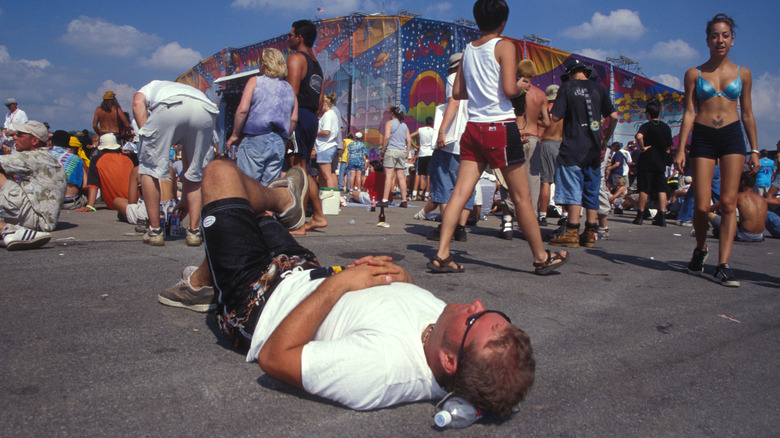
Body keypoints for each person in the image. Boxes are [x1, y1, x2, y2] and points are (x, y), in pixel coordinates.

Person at [159, 158, 535, 414]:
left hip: (258, 299)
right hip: (302, 271)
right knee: (255, 211)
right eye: (488, 313)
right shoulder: (444, 330)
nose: (475, 304)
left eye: (474, 320)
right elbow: (405, 310)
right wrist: (401, 279)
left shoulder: (382, 371)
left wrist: (340, 285)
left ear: (449, 361)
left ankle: (206, 282)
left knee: (220, 175)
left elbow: (276, 358)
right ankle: (276, 205)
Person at [427, 0, 567, 275]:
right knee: (522, 197)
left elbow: (458, 92)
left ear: (477, 20)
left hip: (473, 129)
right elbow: (508, 89)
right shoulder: (505, 46)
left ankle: (442, 254)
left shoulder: (468, 49)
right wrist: (520, 86)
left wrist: (482, 91)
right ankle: (541, 257)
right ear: (504, 21)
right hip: (500, 128)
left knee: (459, 193)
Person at [673, 14, 759, 287]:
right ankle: (700, 249)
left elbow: (746, 113)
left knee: (730, 202)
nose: (720, 40)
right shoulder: (694, 74)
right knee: (700, 205)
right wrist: (680, 149)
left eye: (725, 35)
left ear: (732, 39)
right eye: (715, 35)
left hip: (732, 136)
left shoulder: (743, 74)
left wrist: (754, 149)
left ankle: (723, 264)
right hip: (704, 136)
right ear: (708, 39)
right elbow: (689, 112)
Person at [132, 80, 218, 247]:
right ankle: (194, 231)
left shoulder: (150, 87)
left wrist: (149, 135)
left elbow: (137, 103)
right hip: (205, 109)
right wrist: (185, 198)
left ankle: (155, 230)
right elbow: (188, 168)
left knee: (150, 170)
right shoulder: (183, 88)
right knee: (196, 173)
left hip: (171, 107)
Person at [547, 58, 618, 249]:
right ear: (585, 72)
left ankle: (571, 231)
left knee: (573, 190)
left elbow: (555, 117)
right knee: (592, 190)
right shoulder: (599, 89)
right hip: (594, 149)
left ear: (570, 74)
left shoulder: (567, 87)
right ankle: (589, 233)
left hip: (573, 147)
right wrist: (605, 140)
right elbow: (614, 116)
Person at [420, 52, 473, 242]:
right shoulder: (478, 78)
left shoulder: (455, 78)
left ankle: (446, 226)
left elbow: (454, 102)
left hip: (452, 141)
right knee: (467, 186)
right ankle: (461, 228)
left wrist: (442, 130)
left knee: (444, 184)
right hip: (472, 138)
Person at [226, 48, 297, 186]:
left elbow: (242, 110)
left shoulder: (255, 81)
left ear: (263, 64)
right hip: (279, 141)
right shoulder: (289, 88)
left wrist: (235, 134)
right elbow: (293, 119)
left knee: (248, 185)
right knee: (269, 188)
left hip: (255, 137)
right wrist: (285, 137)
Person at [286, 19, 327, 235]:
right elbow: (320, 103)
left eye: (291, 35)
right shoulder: (317, 65)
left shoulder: (295, 59)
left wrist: (289, 123)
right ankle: (318, 216)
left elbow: (290, 95)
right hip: (310, 117)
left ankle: (300, 223)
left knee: (297, 170)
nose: (288, 38)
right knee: (303, 169)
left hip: (298, 116)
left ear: (299, 37)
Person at [0, 121, 66, 250]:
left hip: (37, 218)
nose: (14, 137)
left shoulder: (34, 156)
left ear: (34, 141)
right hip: (42, 217)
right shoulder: (44, 157)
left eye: (20, 135)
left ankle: (9, 230)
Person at [515, 60, 549, 217]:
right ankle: (532, 215)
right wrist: (535, 121)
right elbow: (547, 122)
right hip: (534, 137)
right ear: (534, 74)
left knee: (511, 176)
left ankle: (509, 215)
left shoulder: (514, 90)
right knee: (533, 178)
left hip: (516, 135)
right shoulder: (541, 94)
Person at [633, 100, 673, 226]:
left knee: (644, 188)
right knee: (661, 188)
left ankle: (640, 214)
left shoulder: (646, 126)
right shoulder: (665, 127)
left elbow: (639, 136)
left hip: (648, 159)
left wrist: (643, 147)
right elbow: (668, 147)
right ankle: (662, 215)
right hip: (660, 160)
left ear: (648, 114)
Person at [76, 133, 135, 214]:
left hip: (112, 203)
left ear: (101, 148)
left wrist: (90, 205)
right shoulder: (131, 158)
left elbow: (93, 184)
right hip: (134, 201)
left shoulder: (96, 160)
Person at [708, 171, 766, 248]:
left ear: (742, 182)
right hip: (759, 236)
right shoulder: (762, 199)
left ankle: (701, 229)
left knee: (705, 212)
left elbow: (713, 207)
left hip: (744, 235)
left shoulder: (740, 197)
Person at [537, 85, 562, 226]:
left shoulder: (546, 111)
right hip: (562, 144)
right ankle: (565, 215)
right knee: (562, 182)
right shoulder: (565, 111)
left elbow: (540, 132)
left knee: (546, 181)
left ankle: (542, 214)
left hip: (546, 144)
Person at [49, 130, 87, 210]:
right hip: (69, 202)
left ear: (52, 142)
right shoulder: (76, 159)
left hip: (50, 202)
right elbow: (85, 185)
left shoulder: (45, 156)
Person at [315, 93, 340, 188]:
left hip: (325, 146)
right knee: (324, 174)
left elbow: (326, 132)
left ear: (324, 103)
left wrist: (314, 133)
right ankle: (326, 195)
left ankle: (331, 196)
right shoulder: (331, 114)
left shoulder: (328, 115)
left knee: (326, 175)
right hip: (327, 146)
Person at [411, 117, 435, 201]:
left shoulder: (420, 129)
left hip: (422, 153)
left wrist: (416, 146)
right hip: (430, 153)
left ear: (425, 122)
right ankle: (426, 195)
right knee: (428, 174)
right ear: (432, 122)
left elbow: (410, 136)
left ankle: (414, 194)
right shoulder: (434, 131)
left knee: (418, 173)